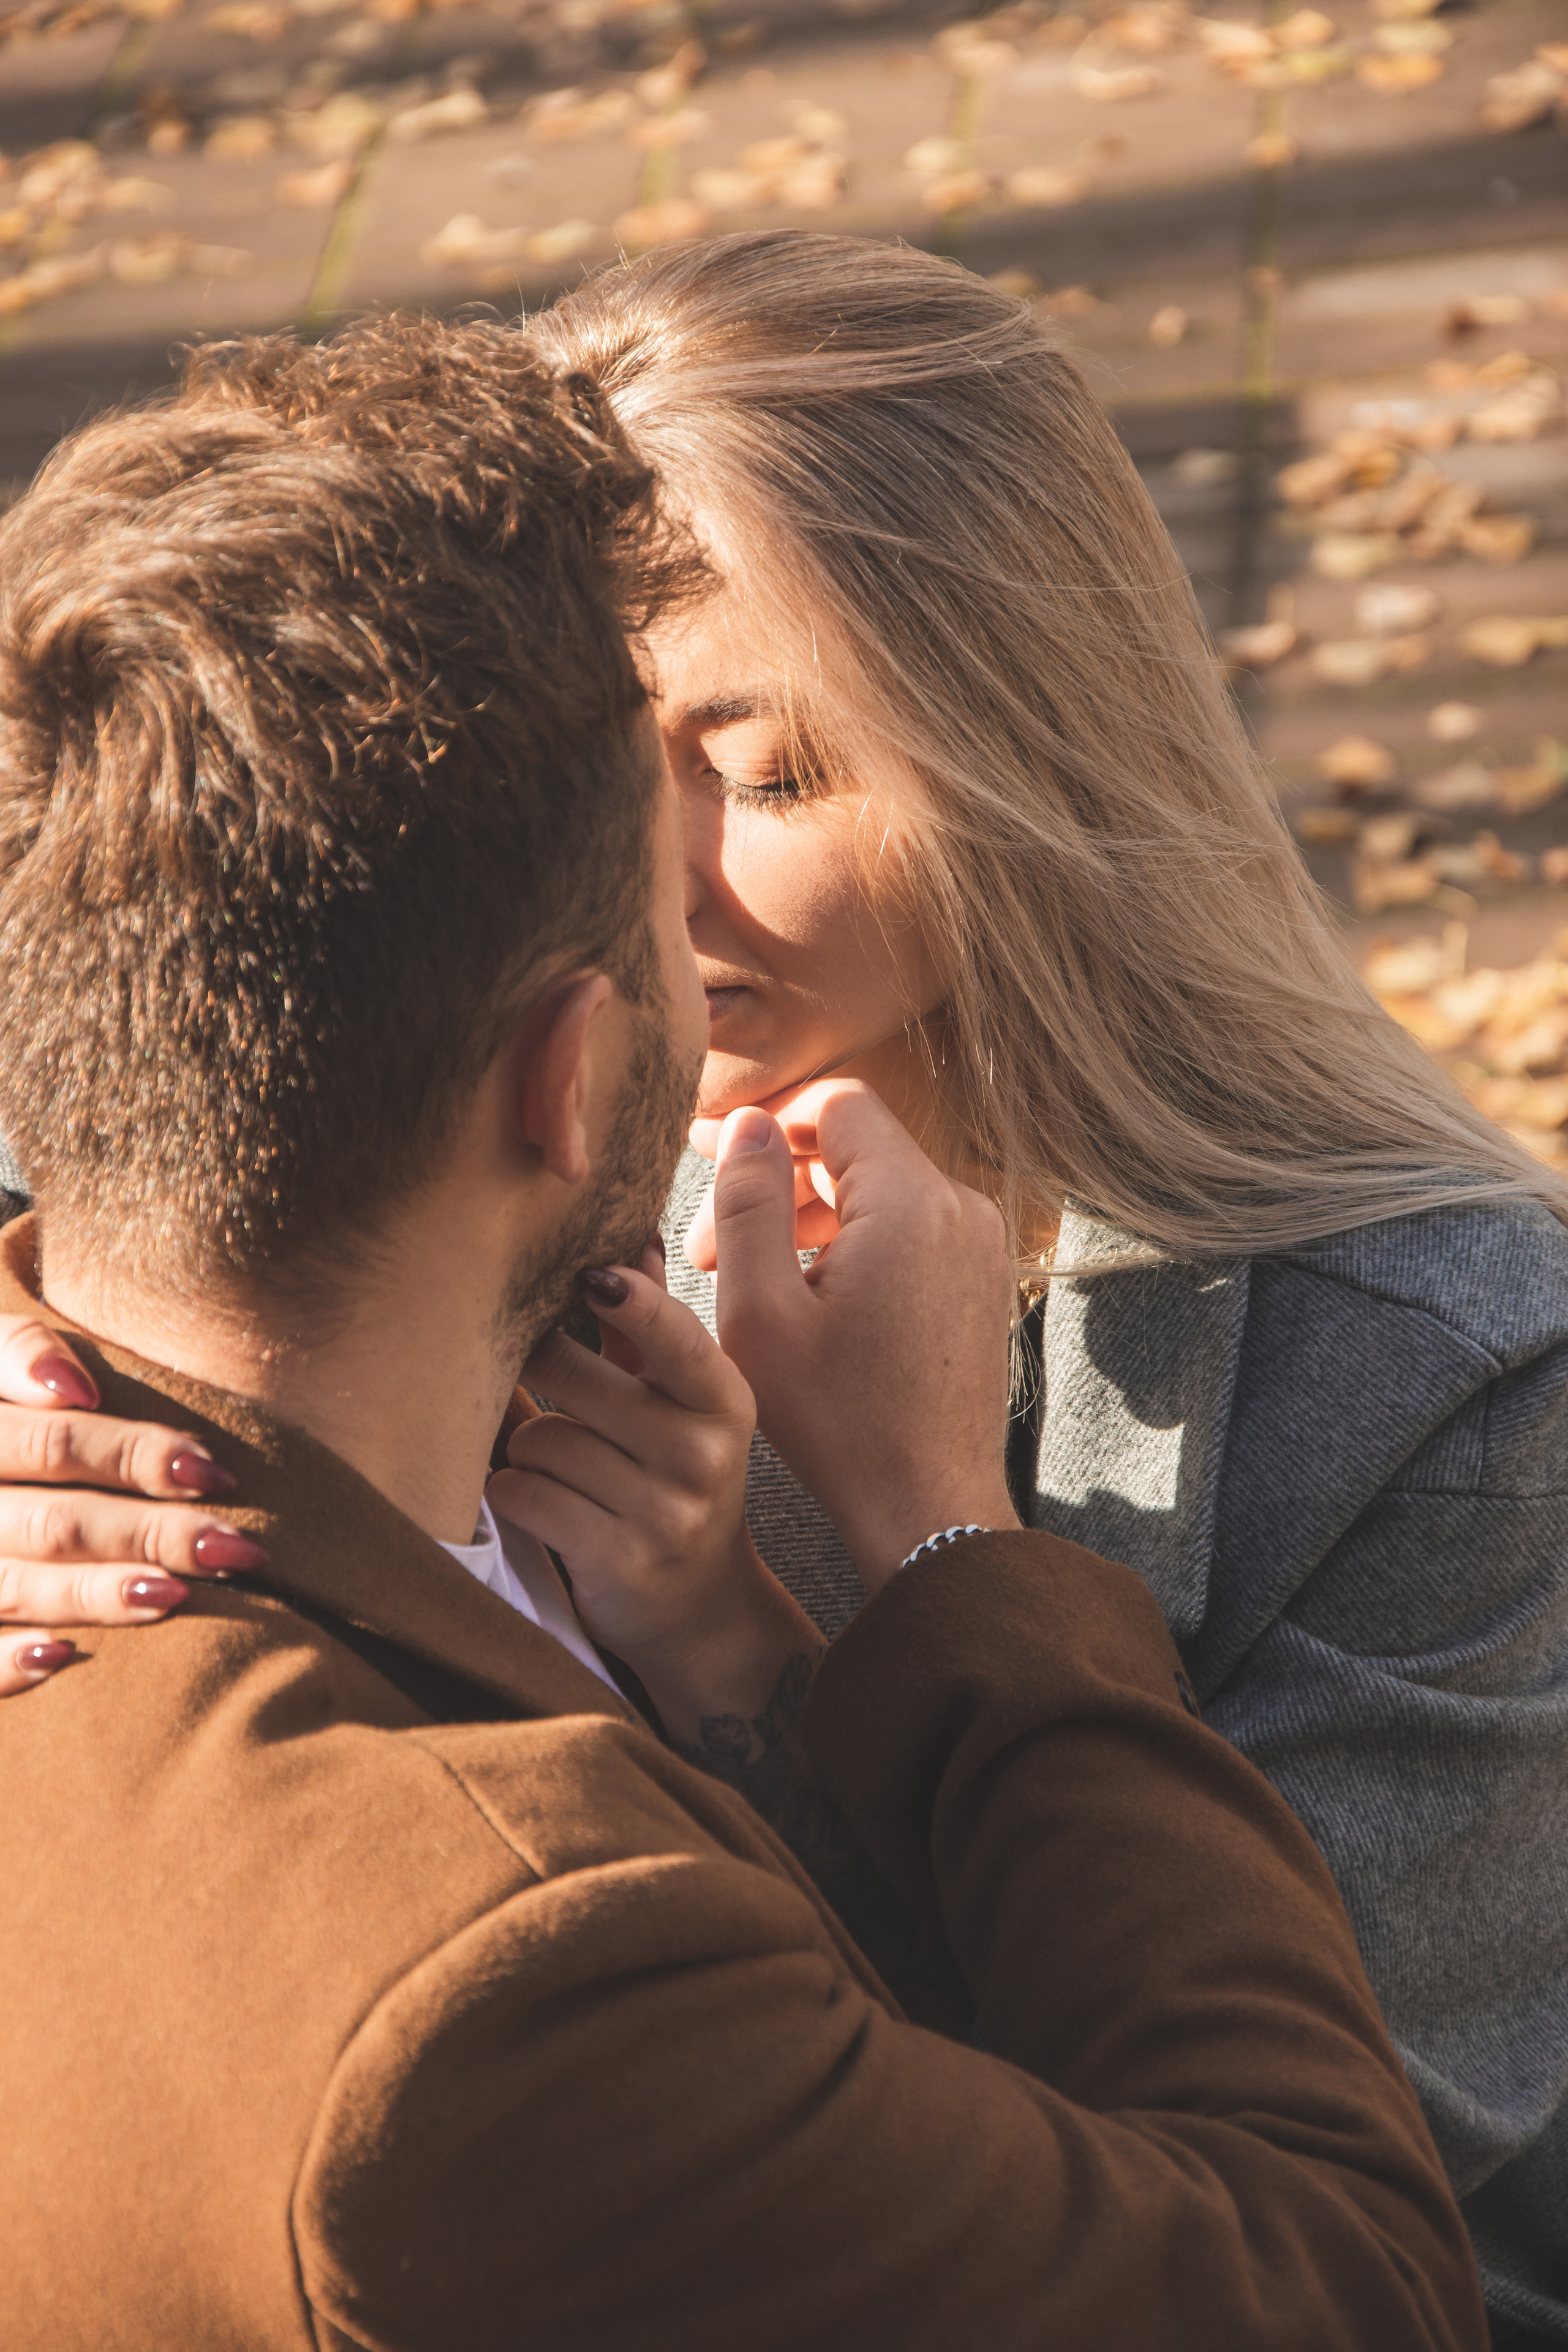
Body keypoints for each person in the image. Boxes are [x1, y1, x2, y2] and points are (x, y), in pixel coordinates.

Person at [0, 236, 1562, 2342]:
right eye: (596, 767)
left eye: (765, 772)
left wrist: (849, 1595)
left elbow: (1308, 2237)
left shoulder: (1440, 1384)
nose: (642, 878)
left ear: (1036, 756)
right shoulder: (460, 1082)